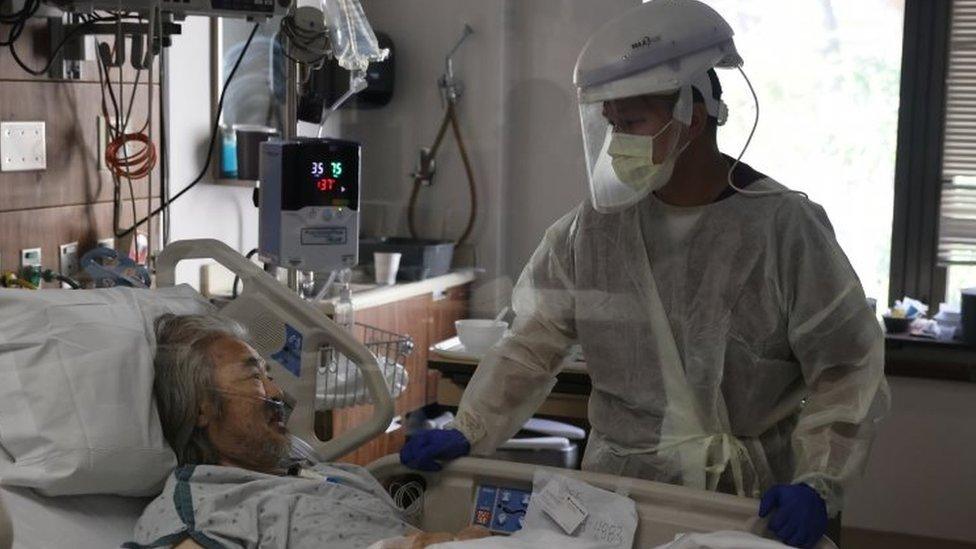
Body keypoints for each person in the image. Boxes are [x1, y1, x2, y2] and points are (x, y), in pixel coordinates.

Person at [400, 1, 889, 548]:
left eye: (632, 122)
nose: (618, 142)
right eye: (611, 124)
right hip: (615, 502)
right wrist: (469, 430)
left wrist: (818, 483)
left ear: (693, 118)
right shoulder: (594, 231)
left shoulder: (784, 228)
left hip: (743, 502)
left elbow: (847, 369)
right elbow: (530, 346)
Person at [128, 314, 487, 549]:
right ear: (201, 408)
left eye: (270, 376)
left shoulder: (327, 474)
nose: (279, 394)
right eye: (255, 376)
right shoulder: (204, 510)